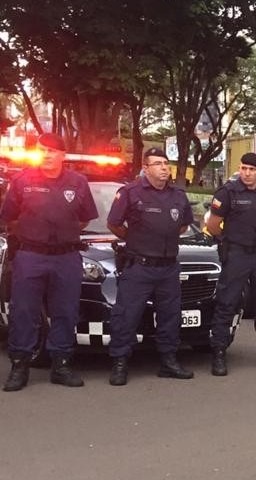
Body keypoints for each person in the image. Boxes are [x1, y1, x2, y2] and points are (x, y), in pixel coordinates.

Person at [0, 133, 99, 390]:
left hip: (66, 256)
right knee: (24, 312)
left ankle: (61, 365)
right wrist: (34, 233)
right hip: (31, 255)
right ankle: (19, 366)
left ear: (62, 155)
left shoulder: (78, 182)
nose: (46, 155)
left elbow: (85, 218)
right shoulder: (22, 181)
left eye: (52, 151)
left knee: (65, 312)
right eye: (42, 150)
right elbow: (10, 218)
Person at [104, 147, 196, 386]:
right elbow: (114, 223)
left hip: (168, 267)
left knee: (170, 316)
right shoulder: (130, 192)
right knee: (127, 315)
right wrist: (136, 238)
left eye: (166, 163)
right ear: (146, 168)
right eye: (158, 164)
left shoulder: (178, 195)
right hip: (139, 266)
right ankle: (120, 362)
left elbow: (184, 225)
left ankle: (168, 361)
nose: (164, 167)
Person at [206, 153, 256, 375]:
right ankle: (219, 354)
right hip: (237, 254)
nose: (246, 173)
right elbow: (213, 224)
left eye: (251, 169)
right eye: (243, 168)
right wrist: (227, 241)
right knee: (227, 303)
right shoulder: (228, 192)